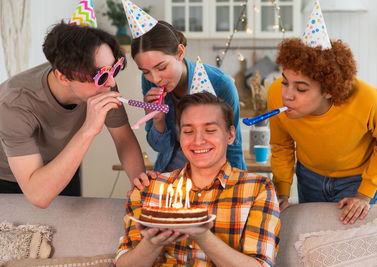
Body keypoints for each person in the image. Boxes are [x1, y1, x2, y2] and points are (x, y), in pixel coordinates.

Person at [115, 92, 280, 267]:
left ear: (230, 135)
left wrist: (202, 235)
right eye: (188, 131)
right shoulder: (148, 188)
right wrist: (152, 243)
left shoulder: (258, 189)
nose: (198, 140)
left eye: (210, 130)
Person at [0, 22, 145, 208]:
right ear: (63, 77)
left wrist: (140, 185)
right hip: (8, 179)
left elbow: (123, 138)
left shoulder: (102, 84)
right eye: (101, 75)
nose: (111, 81)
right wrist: (88, 130)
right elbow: (38, 196)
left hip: (63, 163)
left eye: (114, 68)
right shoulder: (14, 105)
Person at [268, 36, 377, 223]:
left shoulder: (370, 100)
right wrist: (282, 192)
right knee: (312, 235)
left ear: (329, 90)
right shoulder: (275, 94)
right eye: (284, 82)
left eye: (301, 89)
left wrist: (364, 194)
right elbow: (282, 146)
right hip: (308, 176)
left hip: (356, 180)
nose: (287, 95)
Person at [130, 19, 246, 173]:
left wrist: (239, 189)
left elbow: (234, 148)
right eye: (145, 71)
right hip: (171, 177)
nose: (156, 78)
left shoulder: (221, 84)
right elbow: (159, 147)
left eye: (162, 67)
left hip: (213, 178)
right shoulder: (150, 83)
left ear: (180, 52)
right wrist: (158, 120)